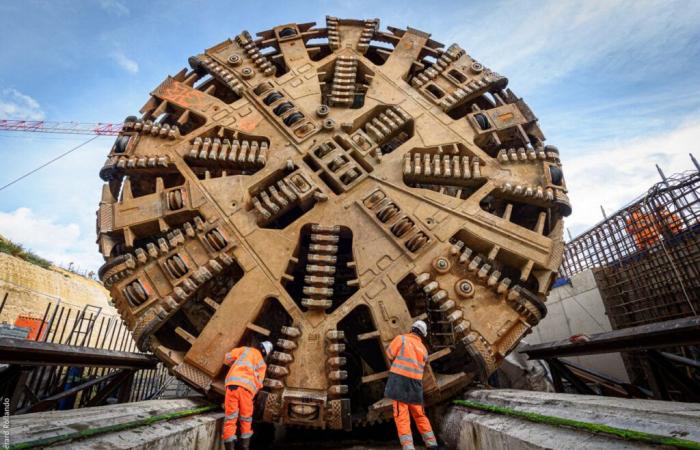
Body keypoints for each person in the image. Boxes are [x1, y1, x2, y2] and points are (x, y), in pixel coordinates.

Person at [384, 320, 438, 450]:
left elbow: (389, 354)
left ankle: (408, 447)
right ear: (422, 335)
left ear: (412, 329)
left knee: (401, 415)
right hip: (415, 385)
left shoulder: (401, 339)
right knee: (420, 414)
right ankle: (432, 444)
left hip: (399, 383)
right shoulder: (424, 350)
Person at [222, 341, 273, 450]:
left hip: (232, 386)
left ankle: (229, 447)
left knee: (230, 418)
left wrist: (235, 365)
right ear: (265, 354)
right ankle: (245, 447)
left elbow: (227, 358)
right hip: (247, 390)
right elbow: (259, 384)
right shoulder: (262, 364)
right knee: (246, 419)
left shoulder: (244, 350)